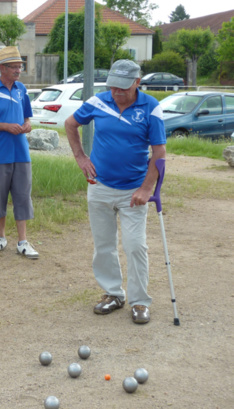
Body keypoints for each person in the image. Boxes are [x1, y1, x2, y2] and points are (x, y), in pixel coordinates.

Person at [64, 60, 166, 324]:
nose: (116, 92)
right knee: (104, 246)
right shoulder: (98, 102)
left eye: (122, 87)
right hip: (100, 187)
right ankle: (113, 294)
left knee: (135, 246)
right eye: (112, 86)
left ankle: (140, 301)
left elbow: (159, 152)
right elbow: (70, 124)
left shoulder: (151, 107)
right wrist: (81, 157)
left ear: (136, 83)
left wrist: (146, 188)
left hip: (134, 191)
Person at [0, 46, 39, 259]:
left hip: (21, 153)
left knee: (22, 196)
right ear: (2, 68)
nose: (18, 70)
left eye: (20, 66)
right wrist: (5, 126)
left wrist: (27, 125)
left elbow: (27, 117)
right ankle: (0, 237)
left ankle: (23, 241)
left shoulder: (22, 89)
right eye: (14, 67)